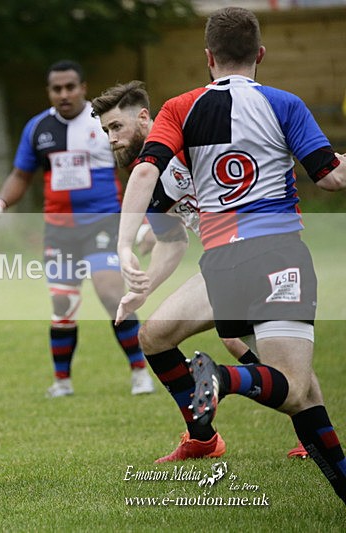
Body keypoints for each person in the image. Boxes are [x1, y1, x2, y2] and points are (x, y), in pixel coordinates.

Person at [117, 7, 346, 503]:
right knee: (294, 388)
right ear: (260, 54)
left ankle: (211, 427)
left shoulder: (179, 107)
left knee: (155, 337)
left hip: (221, 263)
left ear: (209, 58)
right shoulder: (284, 103)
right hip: (278, 255)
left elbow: (144, 172)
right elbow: (331, 177)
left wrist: (123, 244)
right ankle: (220, 379)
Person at [92, 80, 307, 462]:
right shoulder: (148, 174)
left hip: (260, 252)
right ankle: (203, 438)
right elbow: (173, 241)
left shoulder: (190, 142)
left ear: (144, 117)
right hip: (222, 265)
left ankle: (311, 431)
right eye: (106, 130)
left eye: (116, 127)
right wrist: (143, 288)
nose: (111, 139)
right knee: (155, 336)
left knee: (264, 350)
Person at [0, 60, 154, 398]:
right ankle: (62, 381)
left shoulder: (104, 124)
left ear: (83, 88)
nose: (64, 94)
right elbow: (21, 175)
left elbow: (136, 171)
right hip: (60, 232)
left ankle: (140, 372)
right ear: (49, 92)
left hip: (103, 224)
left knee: (110, 293)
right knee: (63, 305)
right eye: (56, 89)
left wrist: (144, 222)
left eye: (70, 87)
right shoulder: (38, 128)